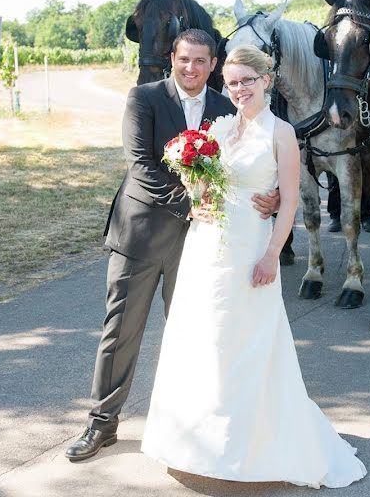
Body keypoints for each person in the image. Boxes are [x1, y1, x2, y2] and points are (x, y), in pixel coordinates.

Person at [141, 45, 367, 488]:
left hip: (250, 247)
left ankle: (253, 446)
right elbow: (207, 184)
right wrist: (195, 189)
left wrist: (271, 254)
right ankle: (196, 439)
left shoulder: (280, 133)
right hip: (207, 244)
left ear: (266, 80)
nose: (239, 88)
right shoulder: (221, 127)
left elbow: (290, 204)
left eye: (247, 79)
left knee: (247, 340)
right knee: (204, 336)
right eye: (232, 82)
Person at [65, 29, 279, 462]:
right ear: (172, 58)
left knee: (196, 335)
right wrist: (189, 203)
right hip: (140, 236)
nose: (191, 68)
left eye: (201, 61)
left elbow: (250, 160)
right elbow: (140, 164)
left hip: (200, 244)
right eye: (184, 59)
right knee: (121, 331)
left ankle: (190, 428)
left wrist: (270, 195)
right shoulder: (142, 98)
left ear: (213, 64)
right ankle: (101, 424)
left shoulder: (226, 107)